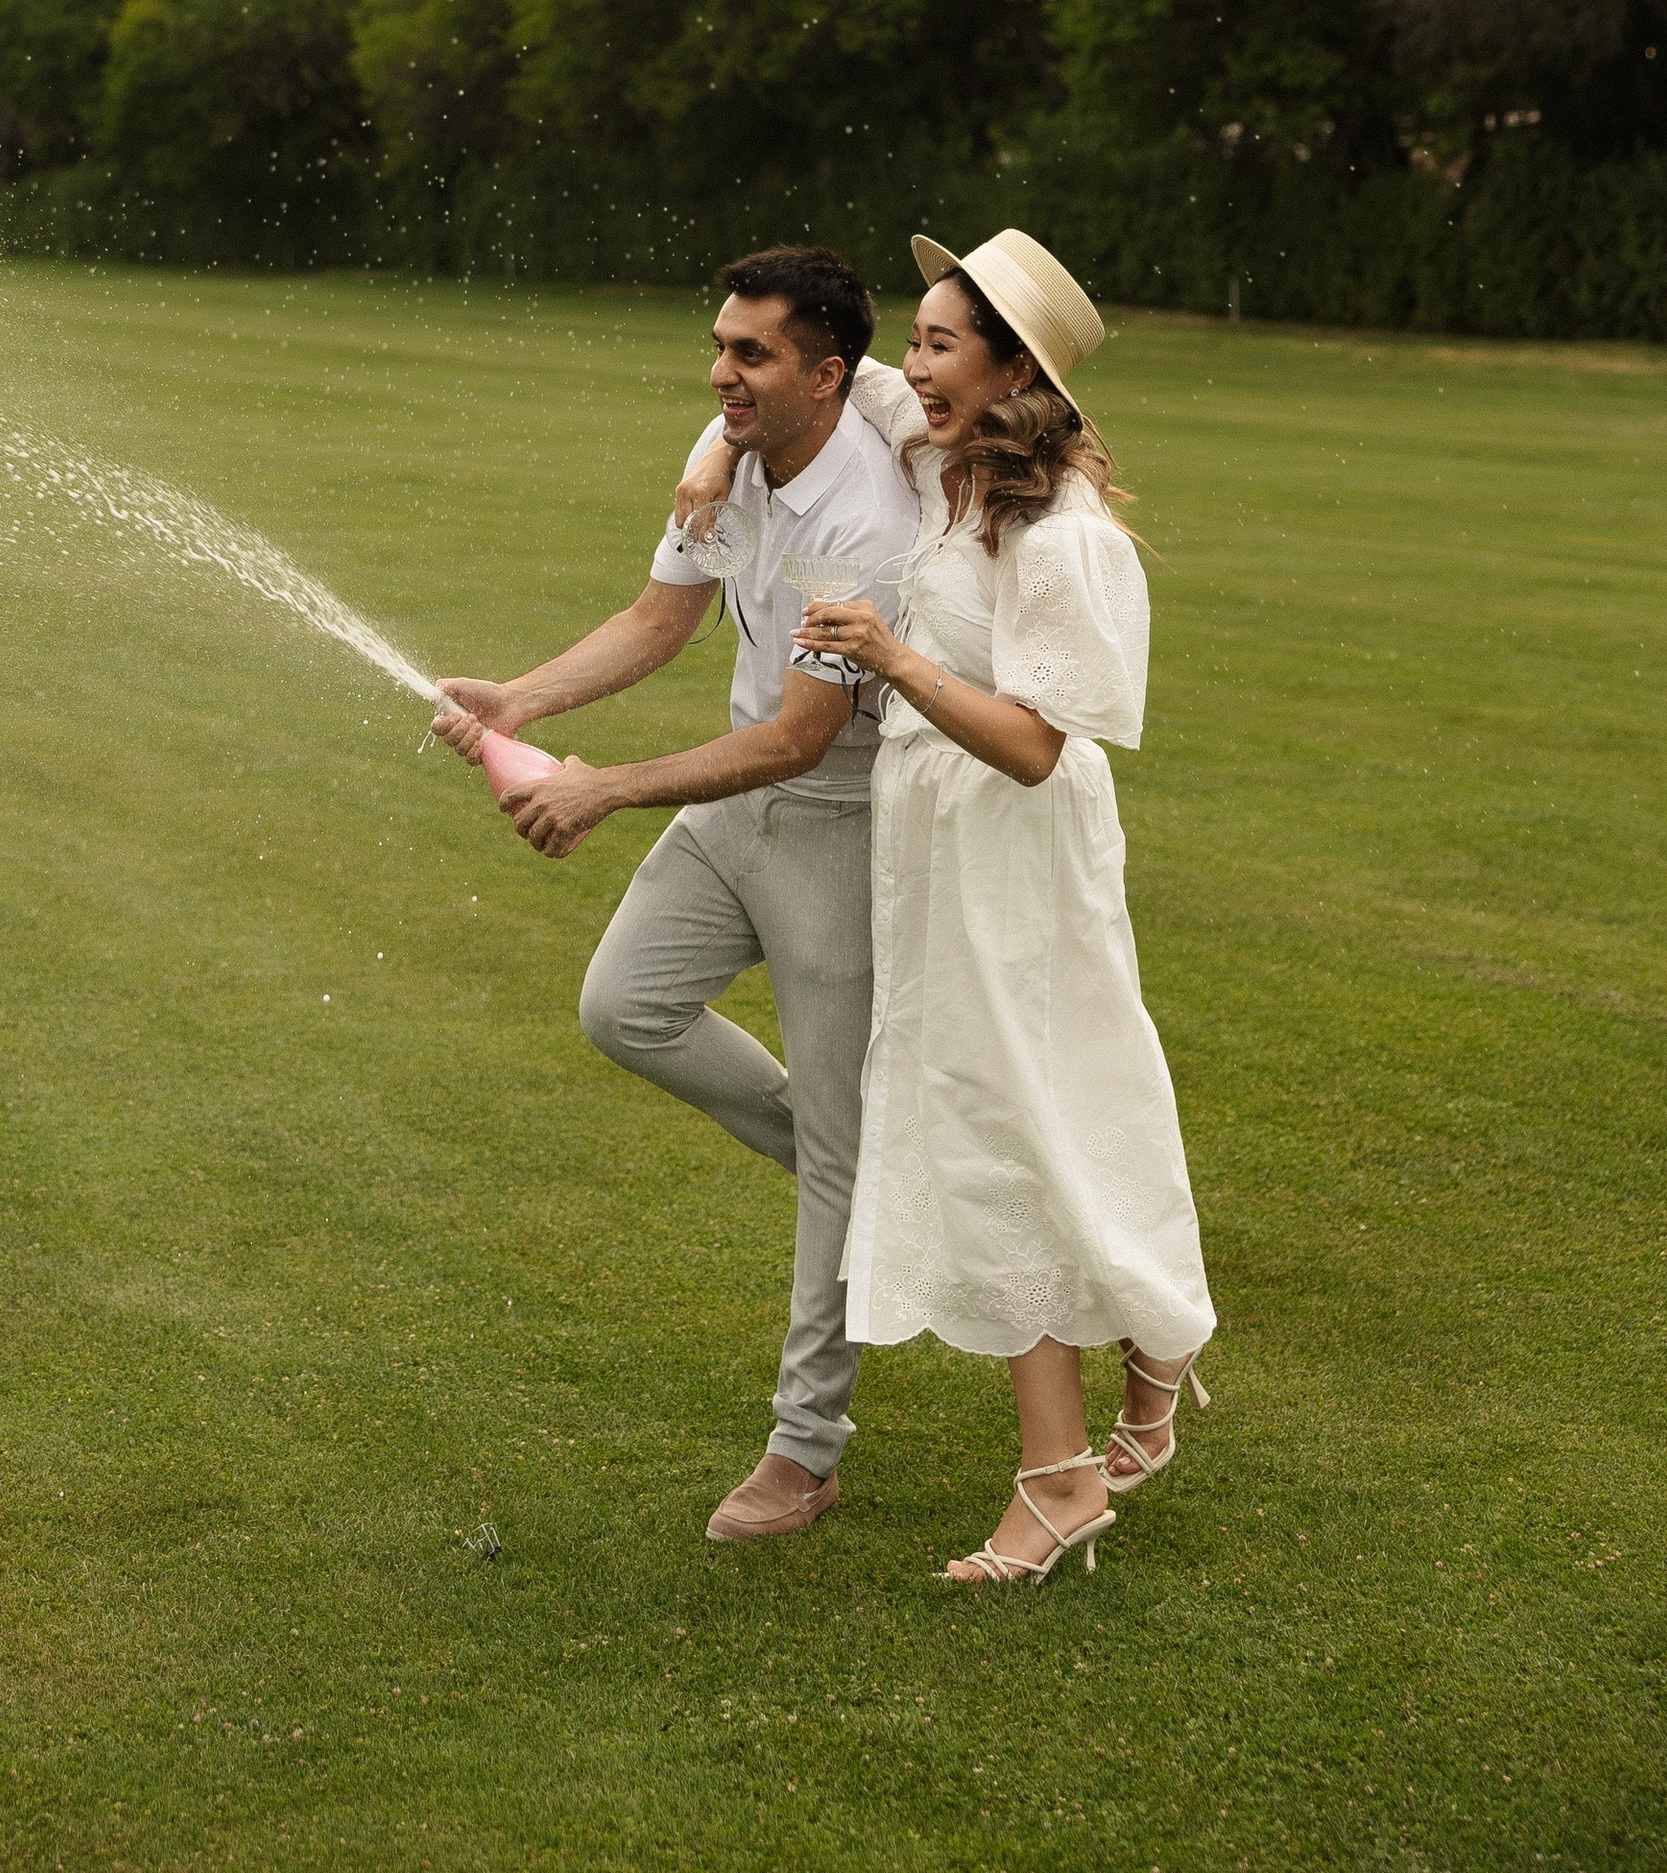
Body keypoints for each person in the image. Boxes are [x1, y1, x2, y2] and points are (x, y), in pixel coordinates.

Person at [432, 246, 921, 1542]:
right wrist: (521, 699)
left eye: (750, 354)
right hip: (731, 806)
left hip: (828, 826)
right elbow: (661, 620)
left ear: (827, 373)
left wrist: (604, 787)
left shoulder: (864, 524)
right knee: (623, 1008)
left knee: (836, 1157)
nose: (720, 374)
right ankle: (857, 1176)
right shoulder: (737, 445)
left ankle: (806, 1450)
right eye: (718, 346)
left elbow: (798, 739)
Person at [779, 227, 1217, 1586]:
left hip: (1015, 867)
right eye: (914, 339)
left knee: (1013, 1126)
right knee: (1001, 1121)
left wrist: (890, 653)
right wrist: (702, 457)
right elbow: (828, 381)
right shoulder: (946, 456)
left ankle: (1063, 1469)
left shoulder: (1063, 538)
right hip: (939, 861)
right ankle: (1148, 1351)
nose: (912, 370)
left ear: (1017, 368)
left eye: (940, 344)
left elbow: (1037, 745)